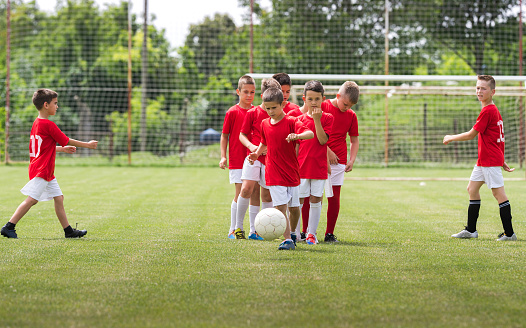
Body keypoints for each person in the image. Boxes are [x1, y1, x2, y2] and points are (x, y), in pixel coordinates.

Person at [1, 89, 98, 239]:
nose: (57, 106)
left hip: (41, 168)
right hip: (43, 169)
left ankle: (69, 231)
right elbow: (66, 139)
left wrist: (61, 149)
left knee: (59, 197)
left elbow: (43, 147)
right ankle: (9, 226)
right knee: (32, 200)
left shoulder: (37, 122)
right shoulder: (48, 125)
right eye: (55, 103)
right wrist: (88, 144)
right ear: (46, 105)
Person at [444, 75, 517, 241]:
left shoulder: (488, 110)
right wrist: (502, 159)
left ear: (493, 92)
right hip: (486, 159)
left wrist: (450, 137)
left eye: (483, 88)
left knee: (499, 195)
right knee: (472, 189)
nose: (479, 91)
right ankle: (471, 230)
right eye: (478, 87)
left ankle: (510, 233)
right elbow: (497, 137)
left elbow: (471, 135)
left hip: (489, 160)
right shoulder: (492, 110)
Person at [248, 87, 314, 250]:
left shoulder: (291, 121)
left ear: (282, 104)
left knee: (294, 208)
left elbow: (310, 133)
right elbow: (264, 142)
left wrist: (297, 135)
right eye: (267, 108)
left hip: (291, 171)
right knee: (280, 207)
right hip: (273, 172)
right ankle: (287, 240)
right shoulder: (264, 123)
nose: (270, 111)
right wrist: (256, 154)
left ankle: (292, 233)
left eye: (274, 108)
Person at [236, 78, 281, 240]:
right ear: (263, 96)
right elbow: (242, 135)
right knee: (247, 189)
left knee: (267, 196)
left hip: (270, 160)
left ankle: (258, 231)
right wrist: (252, 147)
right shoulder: (253, 113)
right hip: (253, 159)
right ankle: (238, 228)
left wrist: (269, 149)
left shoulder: (278, 114)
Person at [321, 81, 360, 242]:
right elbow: (313, 130)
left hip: (339, 161)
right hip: (318, 157)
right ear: (338, 96)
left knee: (334, 197)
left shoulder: (351, 115)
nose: (347, 108)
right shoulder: (323, 106)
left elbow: (354, 139)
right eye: (345, 104)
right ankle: (305, 232)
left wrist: (351, 159)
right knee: (311, 196)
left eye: (350, 106)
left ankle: (329, 234)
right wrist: (327, 151)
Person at [296, 81, 334, 245]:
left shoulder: (328, 118)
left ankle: (311, 234)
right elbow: (296, 146)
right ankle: (295, 233)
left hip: (318, 167)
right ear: (304, 99)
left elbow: (322, 140)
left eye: (317, 99)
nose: (313, 102)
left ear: (323, 99)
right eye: (310, 99)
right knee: (298, 201)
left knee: (316, 199)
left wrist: (317, 120)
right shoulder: (297, 120)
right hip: (301, 167)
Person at [219, 75, 256, 239]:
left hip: (253, 159)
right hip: (236, 159)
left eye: (252, 92)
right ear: (238, 92)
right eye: (246, 92)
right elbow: (224, 135)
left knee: (253, 193)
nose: (249, 95)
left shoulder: (257, 111)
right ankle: (233, 229)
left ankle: (254, 230)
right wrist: (223, 156)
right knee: (240, 192)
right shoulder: (232, 112)